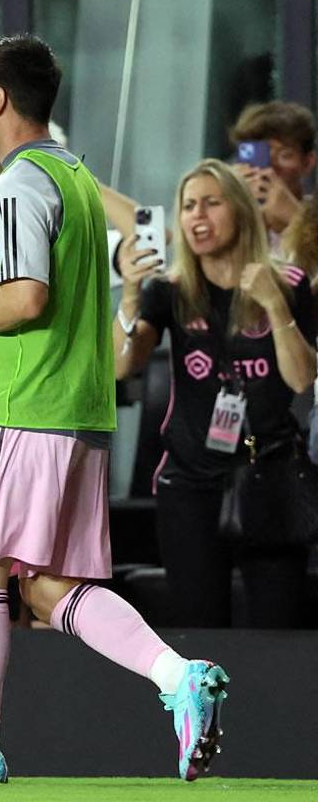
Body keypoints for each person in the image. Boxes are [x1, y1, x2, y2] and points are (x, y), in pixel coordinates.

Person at [0, 35, 228, 785]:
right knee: (44, 584)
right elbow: (47, 288)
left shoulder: (12, 186)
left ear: (0, 98)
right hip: (79, 413)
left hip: (21, 407)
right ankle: (178, 677)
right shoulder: (70, 176)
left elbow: (28, 298)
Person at [114, 158, 316, 628]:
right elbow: (125, 364)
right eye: (188, 206)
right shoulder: (170, 290)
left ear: (241, 211)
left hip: (271, 477)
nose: (196, 216)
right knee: (198, 631)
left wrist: (272, 304)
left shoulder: (288, 283)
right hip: (190, 483)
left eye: (210, 203)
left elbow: (303, 379)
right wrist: (129, 295)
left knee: (277, 633)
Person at [229, 101, 316, 240]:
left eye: (284, 156)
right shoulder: (227, 217)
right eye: (261, 157)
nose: (270, 169)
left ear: (307, 163)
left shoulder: (313, 216)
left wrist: (296, 218)